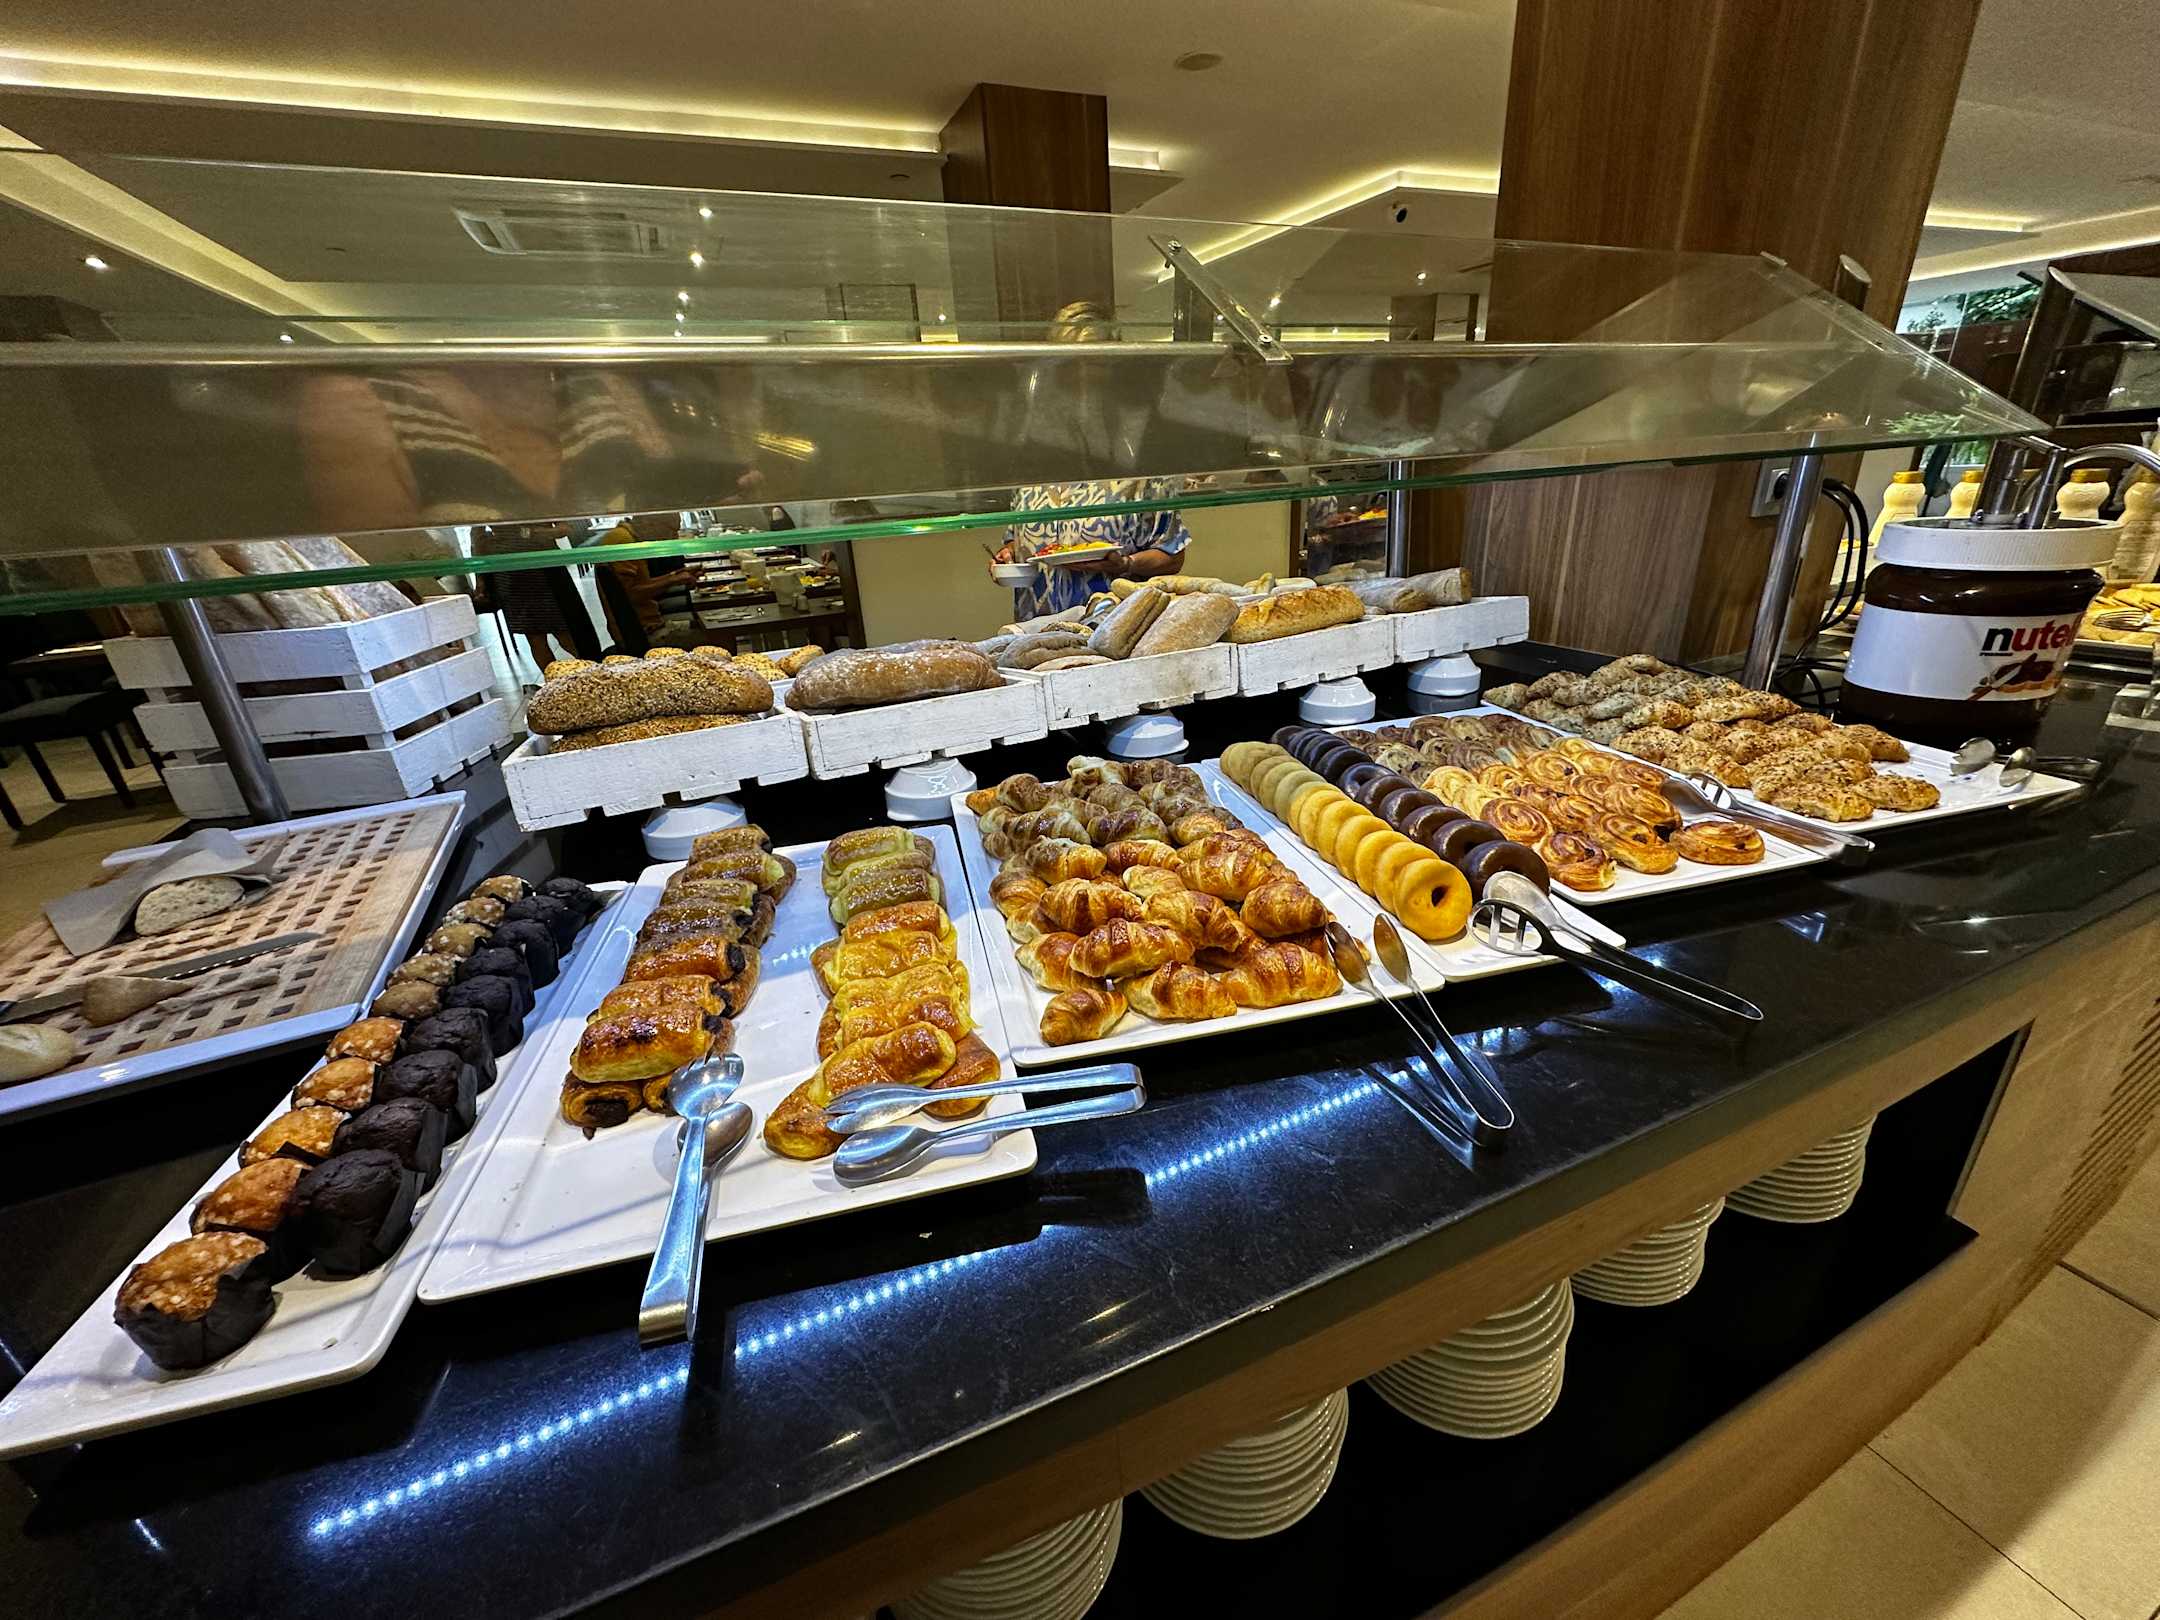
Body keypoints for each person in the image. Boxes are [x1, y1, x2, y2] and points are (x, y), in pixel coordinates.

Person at [992, 301, 1189, 618]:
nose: (1081, 375)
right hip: (1036, 629)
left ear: (1113, 367)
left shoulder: (1138, 452)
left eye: (1094, 363)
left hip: (1112, 628)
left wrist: (1125, 564)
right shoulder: (1033, 447)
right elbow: (1018, 540)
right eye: (1069, 363)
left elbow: (1172, 554)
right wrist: (1008, 555)